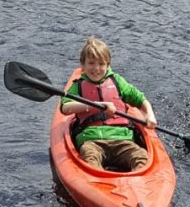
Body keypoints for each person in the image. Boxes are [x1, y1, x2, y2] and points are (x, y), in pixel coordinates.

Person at [60, 36, 157, 172]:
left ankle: (137, 187)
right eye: (91, 63)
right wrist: (95, 105)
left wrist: (150, 115)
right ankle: (98, 188)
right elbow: (65, 108)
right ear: (83, 65)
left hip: (122, 139)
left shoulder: (117, 82)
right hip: (92, 141)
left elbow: (141, 100)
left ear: (108, 65)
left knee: (141, 157)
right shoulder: (78, 86)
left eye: (101, 64)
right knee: (90, 159)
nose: (96, 68)